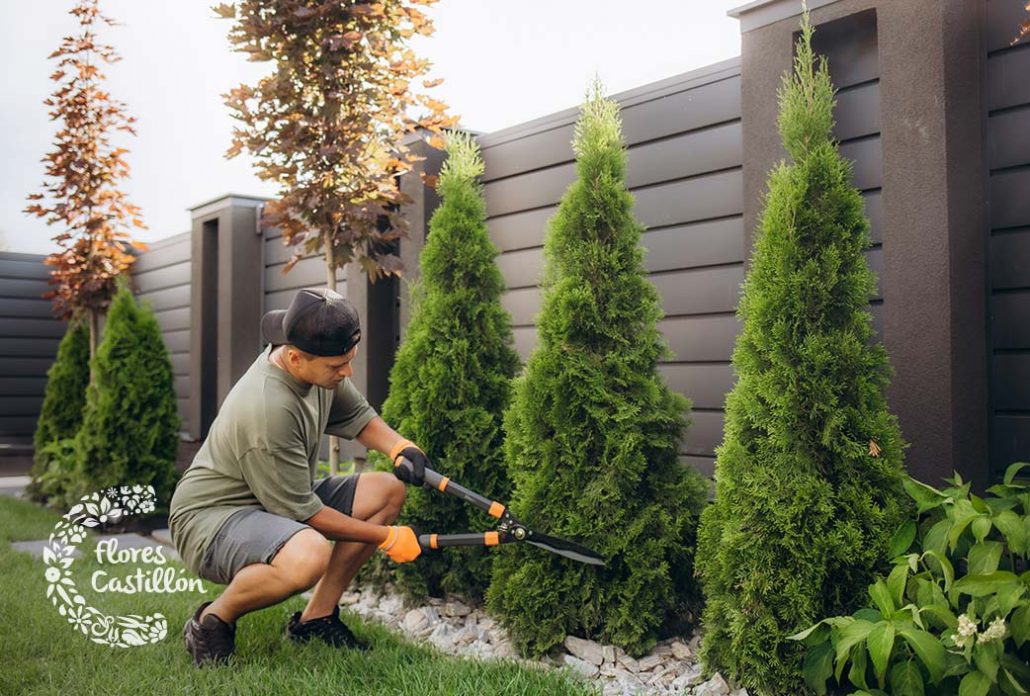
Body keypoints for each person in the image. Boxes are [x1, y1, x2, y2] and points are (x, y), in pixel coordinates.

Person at [169, 287, 430, 667]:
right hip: (211, 521)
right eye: (337, 367)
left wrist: (398, 446)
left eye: (349, 360)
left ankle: (316, 618)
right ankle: (211, 622)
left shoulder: (316, 357)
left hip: (274, 502)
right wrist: (388, 538)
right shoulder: (266, 408)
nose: (347, 373)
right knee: (308, 556)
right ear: (294, 358)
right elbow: (305, 514)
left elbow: (358, 416)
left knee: (387, 491)